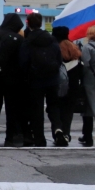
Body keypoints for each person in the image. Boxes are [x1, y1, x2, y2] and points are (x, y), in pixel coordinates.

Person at [19, 13, 63, 147]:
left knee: (36, 110)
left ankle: (39, 138)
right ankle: (58, 129)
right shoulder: (51, 39)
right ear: (41, 23)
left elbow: (23, 61)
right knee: (54, 106)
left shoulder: (28, 41)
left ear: (28, 24)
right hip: (52, 79)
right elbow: (59, 59)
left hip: (35, 81)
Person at [0, 13, 25, 147]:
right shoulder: (18, 39)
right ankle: (10, 137)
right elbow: (22, 60)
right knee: (11, 109)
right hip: (12, 79)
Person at [51, 26, 83, 146]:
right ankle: (66, 133)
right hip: (73, 86)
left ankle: (57, 130)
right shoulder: (74, 48)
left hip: (56, 84)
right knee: (68, 111)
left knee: (55, 108)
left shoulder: (54, 48)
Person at [80, 25, 95, 146]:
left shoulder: (88, 47)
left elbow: (85, 64)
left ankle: (87, 137)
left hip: (91, 80)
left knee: (88, 110)